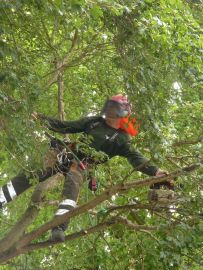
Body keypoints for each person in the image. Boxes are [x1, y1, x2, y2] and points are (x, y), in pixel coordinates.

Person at [0, 94, 166, 241]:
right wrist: (41, 118)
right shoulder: (94, 122)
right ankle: (2, 197)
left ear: (121, 112)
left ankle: (59, 226)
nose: (107, 109)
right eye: (108, 106)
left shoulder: (121, 139)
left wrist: (155, 171)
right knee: (32, 173)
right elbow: (66, 126)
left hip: (83, 164)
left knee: (72, 183)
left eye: (112, 107)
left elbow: (136, 157)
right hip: (65, 153)